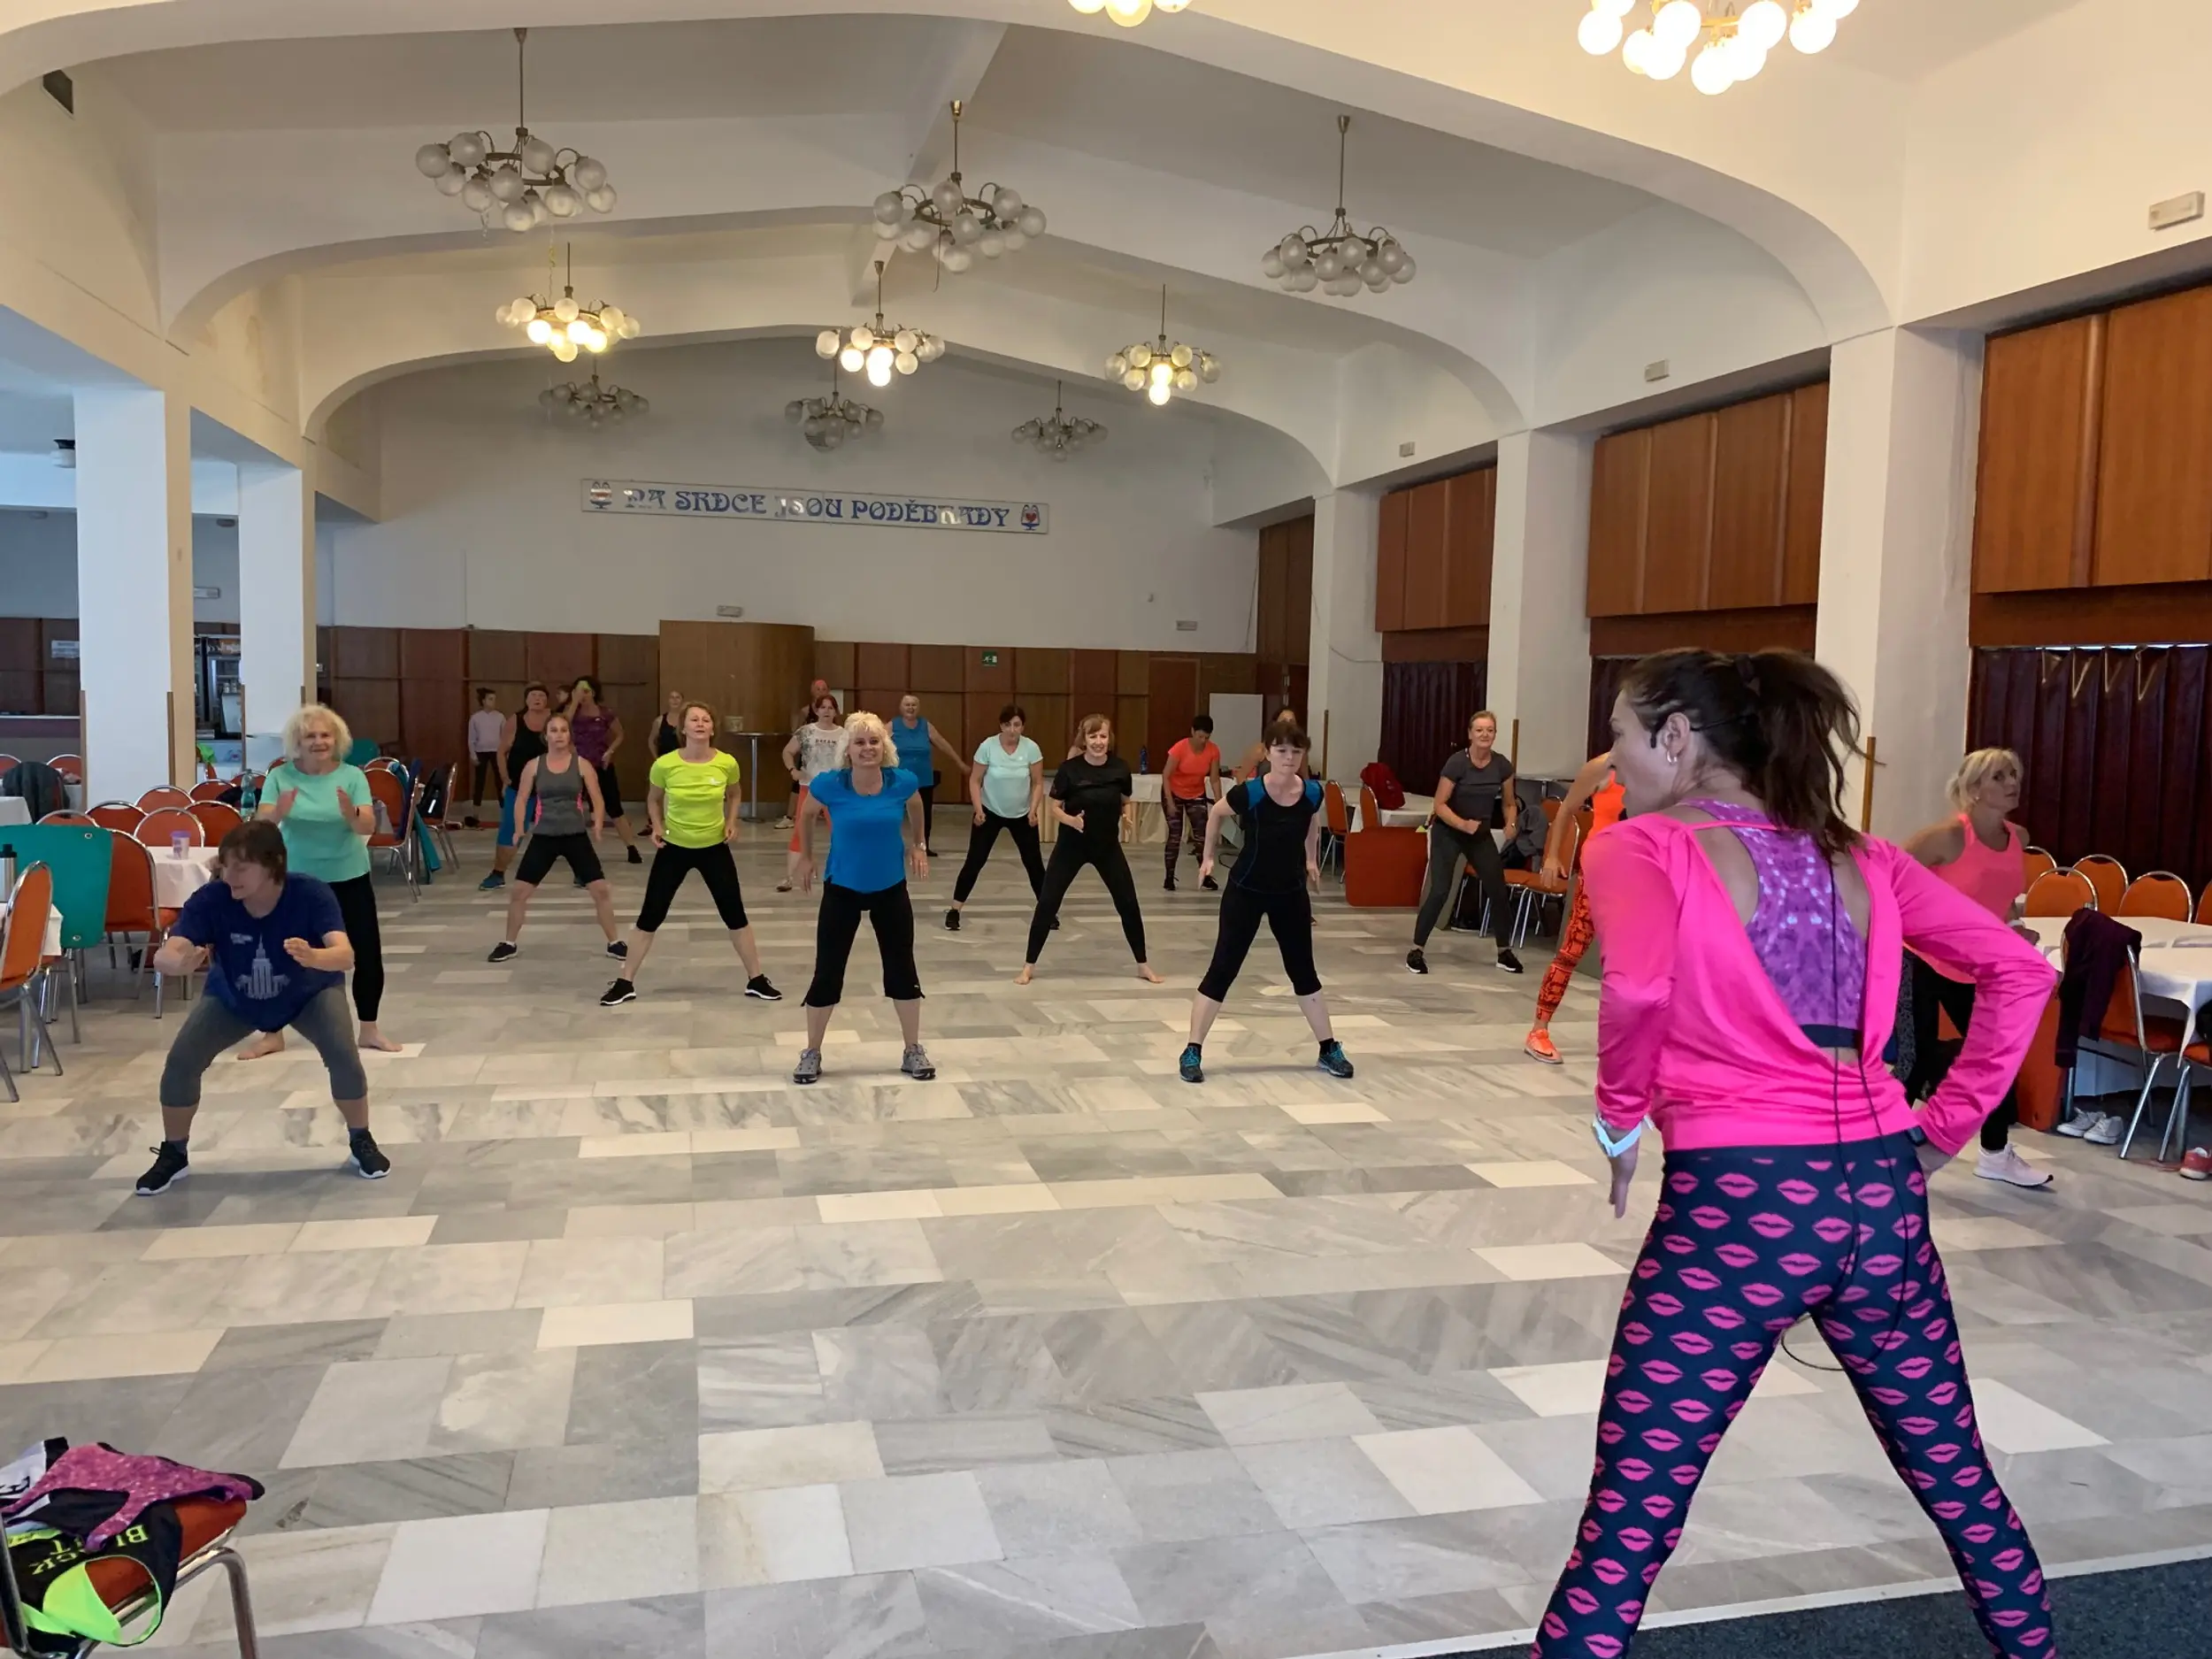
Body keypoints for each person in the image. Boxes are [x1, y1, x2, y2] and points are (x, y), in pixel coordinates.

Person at [1532, 649, 2058, 1659]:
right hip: (1880, 1198)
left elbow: (1635, 990)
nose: (1612, 756)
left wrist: (1618, 1125)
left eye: (1621, 733)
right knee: (1957, 1475)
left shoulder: (1641, 845)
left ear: (1674, 738)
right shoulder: (1862, 856)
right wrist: (1940, 1129)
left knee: (1630, 1521)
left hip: (1741, 1207)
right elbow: (2019, 974)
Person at [135, 820, 387, 1194]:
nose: (229, 876)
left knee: (343, 1055)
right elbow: (171, 950)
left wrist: (314, 956)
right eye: (225, 866)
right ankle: (174, 1152)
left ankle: (360, 1138)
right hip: (233, 996)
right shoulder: (212, 898)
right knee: (182, 1061)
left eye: (241, 867)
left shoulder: (310, 893)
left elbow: (345, 955)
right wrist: (174, 961)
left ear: (273, 865)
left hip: (310, 993)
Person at [1900, 748, 2053, 1189]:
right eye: (1999, 777)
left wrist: (2014, 929)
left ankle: (1995, 1153)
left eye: (2014, 775)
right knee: (1916, 1060)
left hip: (1981, 964)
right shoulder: (1946, 837)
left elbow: (2004, 900)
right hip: (1926, 957)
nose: (2012, 784)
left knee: (1995, 1060)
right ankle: (1874, 1148)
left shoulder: (2018, 837)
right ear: (1974, 788)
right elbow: (1889, 881)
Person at [1179, 717, 1352, 1084]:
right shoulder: (1252, 792)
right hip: (1246, 890)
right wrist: (1208, 857)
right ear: (1268, 753)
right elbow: (1216, 813)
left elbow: (1311, 822)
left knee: (1303, 971)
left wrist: (1310, 859)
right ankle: (1192, 1049)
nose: (1289, 757)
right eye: (1281, 750)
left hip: (1290, 893)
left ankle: (1328, 1048)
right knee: (1223, 968)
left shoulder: (1312, 792)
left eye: (1295, 751)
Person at [240, 703, 400, 1059]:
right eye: (310, 736)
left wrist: (350, 813)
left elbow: (368, 826)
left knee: (365, 954)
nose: (319, 742)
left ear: (337, 739)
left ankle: (369, 1030)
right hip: (296, 880)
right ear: (297, 742)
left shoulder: (352, 776)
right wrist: (278, 812)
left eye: (325, 735)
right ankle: (272, 1032)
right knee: (281, 954)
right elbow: (261, 827)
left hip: (349, 875)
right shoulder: (280, 776)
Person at [602, 701, 780, 1007]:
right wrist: (657, 826)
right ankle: (625, 981)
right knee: (650, 915)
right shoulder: (665, 764)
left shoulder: (726, 763)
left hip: (714, 848)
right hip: (675, 848)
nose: (700, 724)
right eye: (694, 720)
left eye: (705, 720)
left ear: (712, 728)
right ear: (682, 728)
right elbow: (653, 799)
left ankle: (756, 979)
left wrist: (731, 821)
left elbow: (735, 793)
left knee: (735, 915)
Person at [793, 711, 934, 1086]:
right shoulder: (830, 784)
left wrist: (918, 845)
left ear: (884, 747)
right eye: (860, 742)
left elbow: (916, 806)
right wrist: (807, 856)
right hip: (842, 888)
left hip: (890, 888)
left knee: (902, 968)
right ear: (848, 750)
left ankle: (913, 1049)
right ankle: (812, 1051)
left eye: (874, 741)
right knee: (828, 970)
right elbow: (806, 815)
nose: (868, 748)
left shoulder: (901, 781)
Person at [1018, 715, 1162, 986]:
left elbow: (1126, 799)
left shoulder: (1120, 768)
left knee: (1128, 903)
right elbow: (1054, 807)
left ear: (1109, 739)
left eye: (1103, 736)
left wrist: (1127, 816)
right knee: (1048, 902)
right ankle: (1028, 966)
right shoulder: (1069, 769)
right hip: (1071, 846)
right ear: (1083, 739)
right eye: (1093, 736)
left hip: (1107, 847)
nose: (1098, 742)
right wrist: (1071, 820)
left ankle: (1143, 964)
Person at [486, 712, 625, 964]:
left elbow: (597, 798)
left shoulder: (581, 764)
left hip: (575, 836)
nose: (559, 735)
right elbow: (521, 799)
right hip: (544, 836)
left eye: (563, 730)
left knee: (601, 890)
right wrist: (518, 828)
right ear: (546, 735)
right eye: (554, 730)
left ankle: (614, 943)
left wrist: (597, 824)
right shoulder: (534, 765)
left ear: (569, 735)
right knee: (519, 892)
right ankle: (509, 943)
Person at [1524, 752, 1629, 1064]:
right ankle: (1539, 1030)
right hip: (1598, 874)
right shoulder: (1602, 767)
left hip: (1637, 877)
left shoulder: (1658, 767)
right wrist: (1552, 856)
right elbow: (1566, 809)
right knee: (1572, 950)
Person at [1407, 710, 1522, 977]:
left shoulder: (1502, 766)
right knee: (1440, 890)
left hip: (1479, 835)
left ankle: (1504, 951)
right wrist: (1462, 824)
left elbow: (1509, 803)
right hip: (1448, 832)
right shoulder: (1457, 763)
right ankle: (1416, 950)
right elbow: (1439, 804)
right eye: (1479, 730)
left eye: (1489, 730)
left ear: (1495, 734)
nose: (1485, 735)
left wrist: (1511, 823)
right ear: (1470, 734)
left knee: (1497, 887)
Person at [946, 704, 1048, 932]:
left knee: (1034, 864)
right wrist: (978, 809)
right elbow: (975, 780)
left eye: (1017, 725)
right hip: (990, 811)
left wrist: (1033, 809)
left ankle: (1047, 911)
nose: (1012, 730)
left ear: (1023, 726)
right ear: (1001, 725)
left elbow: (1038, 783)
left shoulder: (1031, 748)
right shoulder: (988, 746)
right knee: (975, 861)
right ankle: (955, 910)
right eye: (1007, 725)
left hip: (1022, 814)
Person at [481, 683, 552, 891]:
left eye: (541, 695)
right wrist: (505, 778)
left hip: (549, 787)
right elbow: (501, 751)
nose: (537, 698)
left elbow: (569, 749)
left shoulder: (555, 721)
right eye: (533, 695)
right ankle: (498, 873)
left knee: (565, 830)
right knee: (510, 830)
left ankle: (583, 873)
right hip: (519, 787)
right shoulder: (516, 720)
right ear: (526, 700)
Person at [565, 676, 643, 865]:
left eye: (586, 691)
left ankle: (631, 847)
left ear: (593, 692)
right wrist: (574, 701)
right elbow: (563, 724)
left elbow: (620, 734)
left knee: (614, 807)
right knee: (572, 807)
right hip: (577, 766)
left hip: (601, 765)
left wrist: (611, 751)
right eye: (579, 691)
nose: (583, 695)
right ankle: (570, 848)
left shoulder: (605, 713)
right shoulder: (572, 711)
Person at [780, 694, 849, 892]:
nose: (827, 711)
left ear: (836, 711)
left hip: (835, 789)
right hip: (809, 787)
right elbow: (787, 752)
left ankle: (843, 873)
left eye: (831, 708)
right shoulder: (806, 732)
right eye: (823, 707)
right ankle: (789, 878)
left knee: (840, 830)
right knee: (800, 831)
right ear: (816, 710)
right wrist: (793, 770)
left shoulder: (844, 734)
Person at [891, 693, 970, 856]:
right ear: (901, 707)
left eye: (914, 705)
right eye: (907, 704)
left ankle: (922, 845)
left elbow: (943, 744)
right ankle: (892, 845)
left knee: (925, 814)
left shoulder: (925, 725)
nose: (910, 708)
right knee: (893, 813)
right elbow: (879, 742)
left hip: (923, 778)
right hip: (900, 779)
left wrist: (959, 762)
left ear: (918, 708)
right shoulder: (893, 725)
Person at [1162, 713, 1222, 893]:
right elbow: (1166, 776)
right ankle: (1169, 876)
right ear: (1193, 732)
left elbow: (1214, 779)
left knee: (1203, 836)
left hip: (1196, 793)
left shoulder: (1213, 751)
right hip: (1174, 792)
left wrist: (1219, 802)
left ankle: (1205, 875)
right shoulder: (1179, 748)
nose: (1203, 741)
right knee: (1175, 835)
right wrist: (1170, 802)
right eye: (1200, 736)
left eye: (1206, 738)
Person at [775, 679, 833, 828]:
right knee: (798, 786)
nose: (826, 711)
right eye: (818, 689)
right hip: (809, 756)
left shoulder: (839, 731)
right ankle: (790, 816)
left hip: (828, 769)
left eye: (824, 689)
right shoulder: (806, 715)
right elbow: (795, 734)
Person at [466, 687, 503, 812]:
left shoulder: (500, 717)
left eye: (494, 699)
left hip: (497, 751)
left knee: (500, 780)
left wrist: (504, 754)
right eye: (490, 699)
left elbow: (504, 736)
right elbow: (471, 739)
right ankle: (476, 809)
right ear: (483, 701)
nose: (493, 702)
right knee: (479, 781)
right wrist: (473, 755)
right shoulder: (475, 718)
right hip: (481, 752)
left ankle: (504, 808)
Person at [652, 689, 685, 759]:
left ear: (682, 700)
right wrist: (656, 758)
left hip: (683, 759)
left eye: (677, 697)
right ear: (668, 701)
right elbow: (652, 741)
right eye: (672, 697)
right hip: (664, 759)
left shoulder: (687, 720)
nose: (675, 700)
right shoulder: (659, 721)